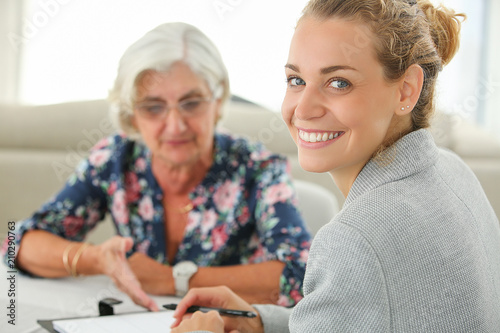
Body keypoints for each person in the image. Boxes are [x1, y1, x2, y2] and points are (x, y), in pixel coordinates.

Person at [169, 0, 500, 331]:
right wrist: (260, 322)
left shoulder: (353, 238)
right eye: (296, 80)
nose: (304, 109)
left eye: (339, 82)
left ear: (406, 90)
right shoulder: (454, 172)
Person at [1, 22, 311, 311]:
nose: (175, 126)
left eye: (191, 103)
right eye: (153, 108)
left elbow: (302, 276)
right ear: (131, 115)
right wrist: (97, 259)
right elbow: (19, 243)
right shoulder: (115, 159)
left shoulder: (260, 168)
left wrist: (170, 279)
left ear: (217, 101)